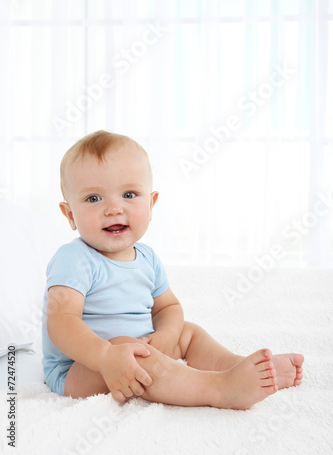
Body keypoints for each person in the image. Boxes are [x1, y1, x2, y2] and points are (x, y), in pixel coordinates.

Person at [42, 130, 304, 409]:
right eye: (94, 199)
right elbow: (62, 322)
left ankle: (236, 366)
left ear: (151, 204)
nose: (114, 208)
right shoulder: (73, 259)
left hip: (138, 345)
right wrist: (106, 356)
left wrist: (166, 336)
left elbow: (168, 307)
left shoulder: (147, 258)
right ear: (70, 215)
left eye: (129, 194)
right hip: (81, 368)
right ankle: (218, 389)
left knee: (187, 332)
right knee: (127, 348)